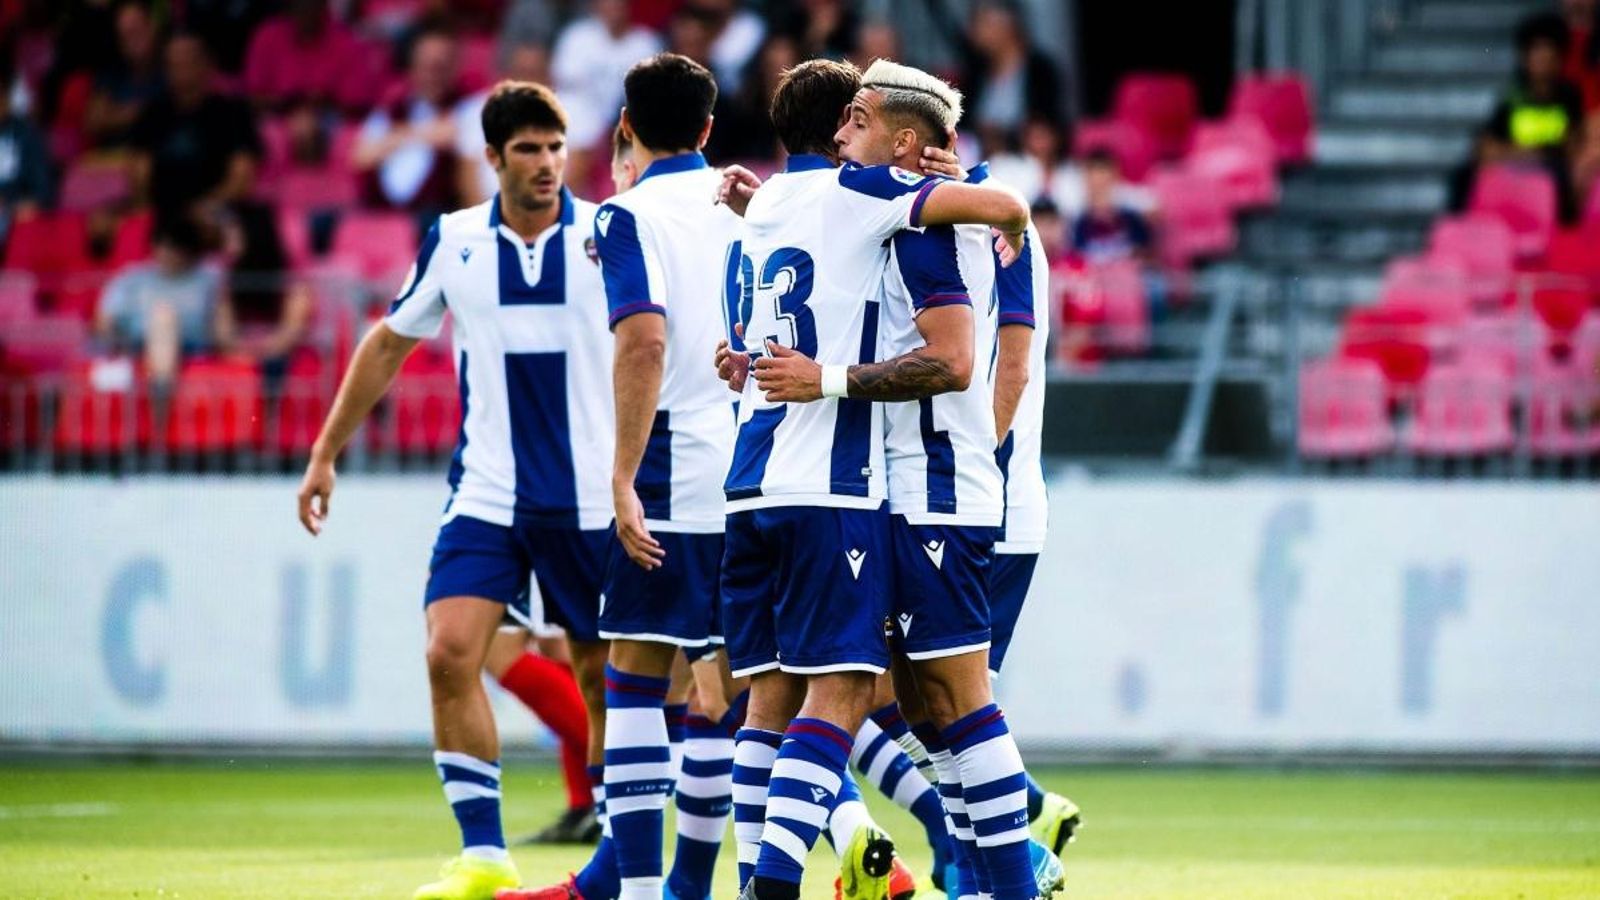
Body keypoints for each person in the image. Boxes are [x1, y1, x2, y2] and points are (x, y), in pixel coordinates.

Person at [708, 57, 1030, 900]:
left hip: (927, 484)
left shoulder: (906, 217)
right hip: (855, 487)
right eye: (844, 113)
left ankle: (1006, 881)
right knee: (905, 706)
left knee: (942, 698)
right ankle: (974, 877)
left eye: (866, 112)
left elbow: (959, 360)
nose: (851, 123)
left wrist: (825, 378)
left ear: (905, 139)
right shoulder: (853, 205)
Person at [296, 80, 615, 900]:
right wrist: (326, 451)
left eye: (556, 147)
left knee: (600, 676)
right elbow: (387, 345)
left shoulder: (609, 238)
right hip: (488, 494)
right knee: (447, 653)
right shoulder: (455, 239)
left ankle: (620, 852)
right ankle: (483, 858)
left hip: (589, 500)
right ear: (491, 158)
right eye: (529, 150)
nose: (548, 164)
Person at [503, 52, 746, 900]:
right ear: (710, 130)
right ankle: (698, 885)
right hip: (755, 471)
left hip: (676, 470)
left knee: (636, 679)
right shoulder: (748, 204)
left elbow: (642, 339)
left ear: (626, 128)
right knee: (727, 688)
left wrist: (621, 475)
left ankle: (641, 893)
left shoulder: (626, 216)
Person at [1454, 13, 1586, 222]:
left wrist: (1543, 155)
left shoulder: (1569, 96)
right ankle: (1465, 231)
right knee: (1464, 174)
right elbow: (1488, 145)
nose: (1543, 60)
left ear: (1559, 58)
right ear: (1525, 58)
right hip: (1517, 164)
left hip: (1552, 170)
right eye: (1537, 52)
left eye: (1549, 53)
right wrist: (1528, 153)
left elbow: (1573, 144)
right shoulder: (1512, 97)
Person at [128, 32, 262, 222]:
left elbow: (240, 181)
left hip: (218, 214)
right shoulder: (152, 115)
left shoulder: (233, 113)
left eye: (187, 61)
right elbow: (139, 175)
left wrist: (204, 209)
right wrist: (147, 212)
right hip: (163, 217)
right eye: (173, 63)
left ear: (207, 65)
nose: (180, 70)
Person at [96, 214, 232, 387]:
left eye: (178, 249)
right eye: (166, 246)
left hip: (194, 348)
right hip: (135, 347)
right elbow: (104, 324)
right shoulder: (130, 279)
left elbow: (224, 328)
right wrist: (117, 347)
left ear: (190, 251)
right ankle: (160, 402)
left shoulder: (210, 278)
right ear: (154, 245)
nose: (171, 254)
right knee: (163, 320)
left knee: (164, 320)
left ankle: (160, 406)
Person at [354, 24, 471, 219]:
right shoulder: (394, 109)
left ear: (454, 68)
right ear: (412, 68)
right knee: (325, 222)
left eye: (440, 67)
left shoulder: (465, 105)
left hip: (437, 215)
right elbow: (361, 156)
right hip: (385, 212)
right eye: (426, 66)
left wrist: (394, 137)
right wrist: (419, 135)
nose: (433, 75)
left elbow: (452, 135)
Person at [550, 0, 661, 190]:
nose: (614, 9)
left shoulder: (646, 42)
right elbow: (566, 89)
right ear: (596, 5)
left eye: (619, 4)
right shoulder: (577, 37)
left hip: (628, 124)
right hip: (585, 121)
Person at [242, 0, 380, 115]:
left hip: (330, 119)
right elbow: (253, 96)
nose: (306, 9)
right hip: (276, 117)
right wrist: (291, 102)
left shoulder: (345, 41)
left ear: (323, 5)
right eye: (299, 4)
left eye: (311, 3)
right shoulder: (268, 36)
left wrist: (324, 101)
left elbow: (357, 104)